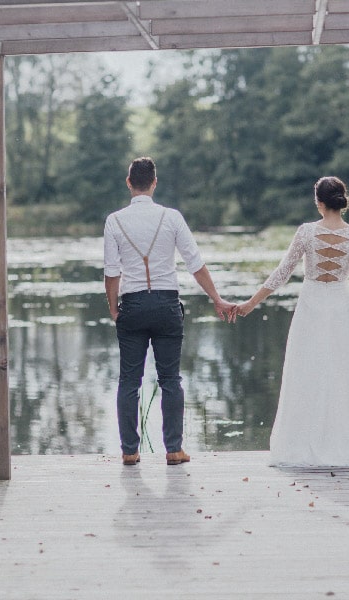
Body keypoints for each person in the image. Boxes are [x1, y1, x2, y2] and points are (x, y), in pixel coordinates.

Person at [235, 176, 349, 466]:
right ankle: (345, 442)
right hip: (342, 309)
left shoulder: (306, 232)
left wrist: (250, 303)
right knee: (345, 377)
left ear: (318, 202)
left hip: (311, 308)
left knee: (307, 374)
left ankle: (307, 443)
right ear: (342, 202)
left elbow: (282, 273)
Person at [104, 157, 235, 466]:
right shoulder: (172, 217)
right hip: (166, 306)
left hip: (132, 306)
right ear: (154, 182)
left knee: (129, 381)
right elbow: (195, 264)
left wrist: (113, 309)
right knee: (170, 380)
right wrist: (216, 298)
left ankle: (129, 451)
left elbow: (111, 272)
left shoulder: (114, 221)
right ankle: (174, 449)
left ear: (129, 183)